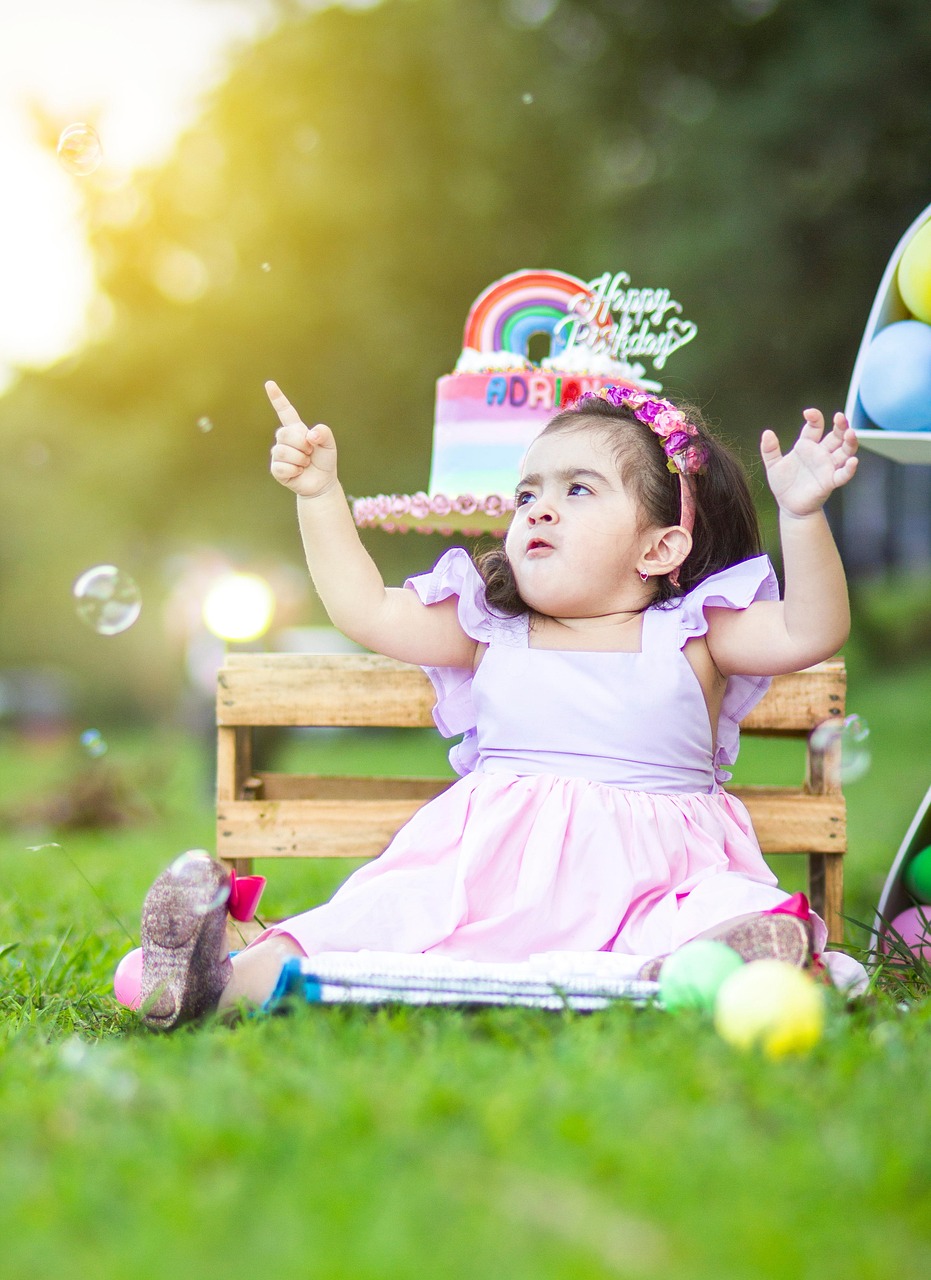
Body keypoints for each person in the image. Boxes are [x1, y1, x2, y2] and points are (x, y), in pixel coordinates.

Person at [138, 380, 865, 1028]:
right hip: (481, 870)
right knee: (372, 917)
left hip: (656, 875)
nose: (539, 510)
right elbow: (362, 608)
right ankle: (215, 982)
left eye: (576, 491)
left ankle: (715, 961)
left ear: (659, 548)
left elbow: (812, 629)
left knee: (715, 914)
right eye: (526, 495)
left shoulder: (695, 633)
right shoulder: (491, 627)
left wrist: (800, 516)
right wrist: (320, 497)